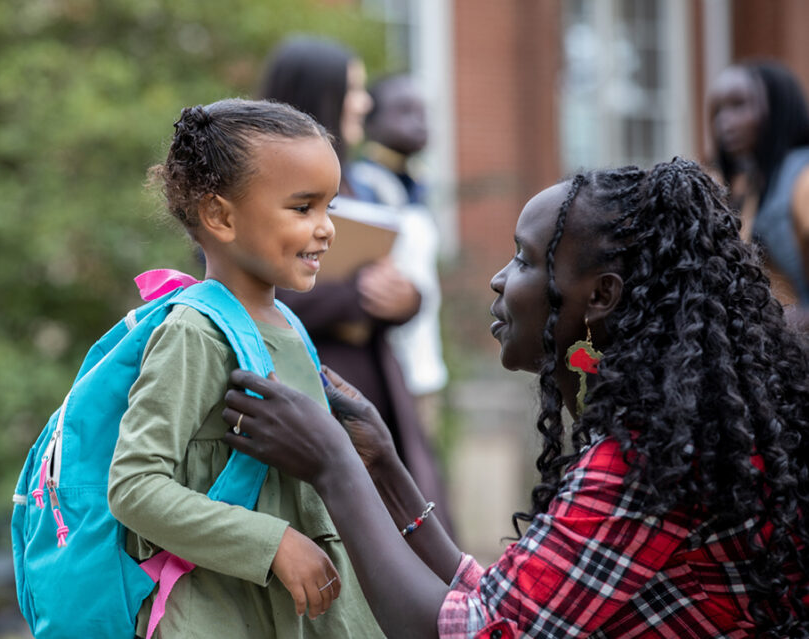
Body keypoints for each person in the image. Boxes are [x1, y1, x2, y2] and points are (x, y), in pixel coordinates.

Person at [221, 158, 809, 637]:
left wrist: (334, 467)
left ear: (601, 296)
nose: (500, 279)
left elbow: (475, 634)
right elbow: (512, 603)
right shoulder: (675, 435)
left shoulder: (645, 465)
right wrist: (384, 468)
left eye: (526, 259)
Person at [106, 98, 384, 638]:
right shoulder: (194, 332)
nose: (326, 229)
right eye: (303, 208)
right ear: (221, 217)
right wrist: (273, 542)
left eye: (329, 208)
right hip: (223, 616)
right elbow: (134, 486)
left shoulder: (287, 325)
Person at [258, 36, 455, 535]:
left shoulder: (366, 188)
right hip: (312, 390)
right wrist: (356, 297)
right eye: (355, 89)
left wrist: (405, 300)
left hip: (381, 390)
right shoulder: (255, 190)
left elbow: (404, 281)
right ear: (321, 95)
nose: (365, 104)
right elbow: (245, 288)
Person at [347, 72, 449, 433]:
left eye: (423, 111)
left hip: (425, 367)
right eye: (404, 110)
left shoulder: (419, 187)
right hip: (386, 368)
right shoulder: (361, 187)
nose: (419, 121)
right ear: (371, 121)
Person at [707, 59, 809, 327]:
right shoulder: (750, 186)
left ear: (778, 108)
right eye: (718, 110)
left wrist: (787, 321)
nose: (723, 122)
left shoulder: (803, 178)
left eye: (738, 105)